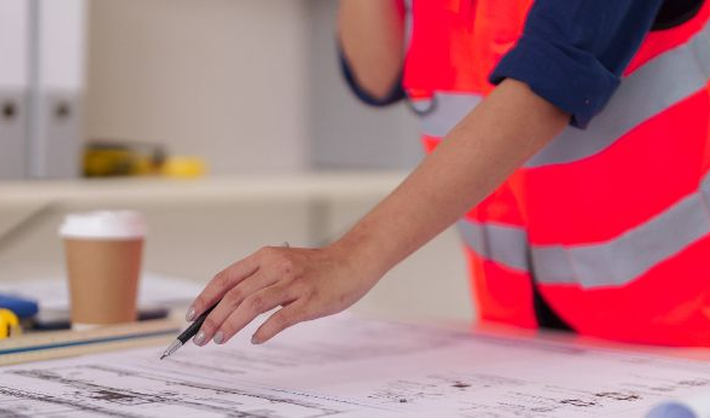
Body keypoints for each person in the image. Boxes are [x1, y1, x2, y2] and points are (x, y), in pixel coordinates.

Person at [186, 0, 710, 348]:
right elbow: (377, 73)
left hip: (683, 334)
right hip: (522, 336)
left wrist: (351, 257)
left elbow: (555, 77)